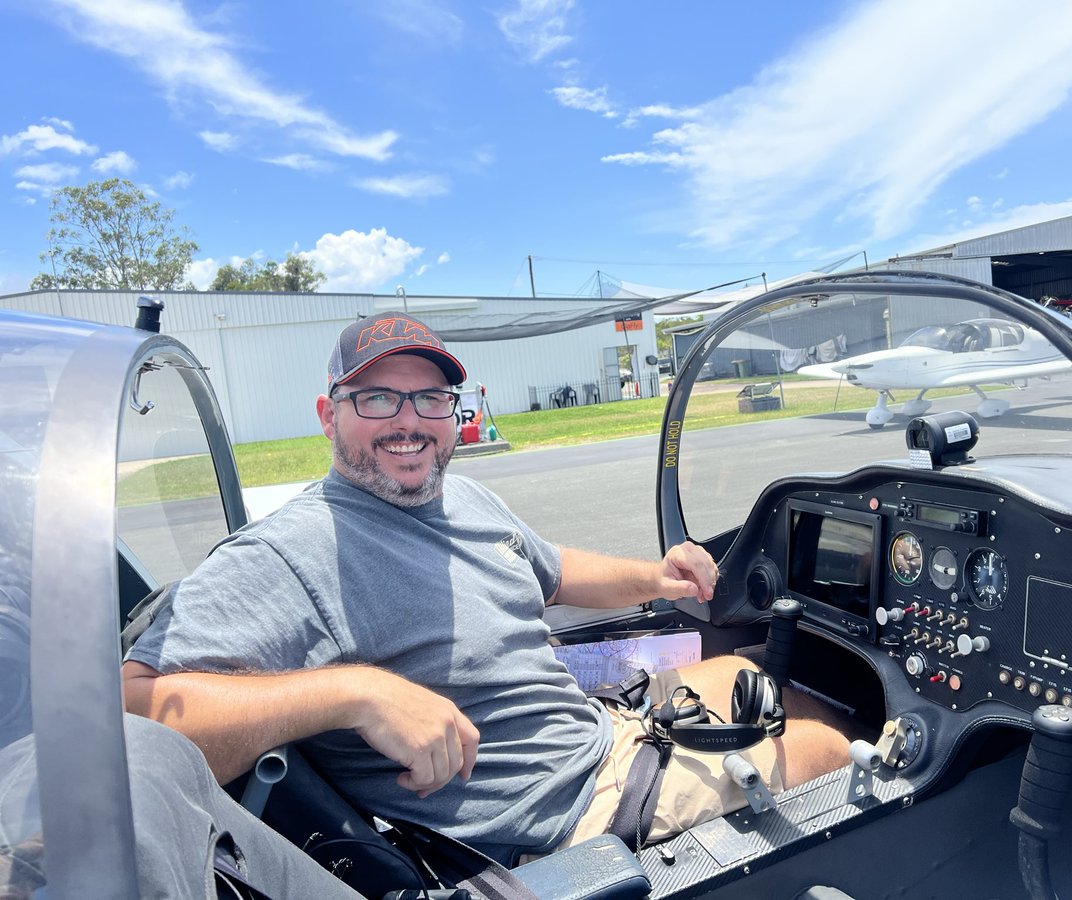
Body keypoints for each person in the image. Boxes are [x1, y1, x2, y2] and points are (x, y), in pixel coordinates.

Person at [123, 312, 856, 864]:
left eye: (432, 400)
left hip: (595, 726)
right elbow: (130, 713)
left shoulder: (463, 499)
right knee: (829, 752)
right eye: (378, 398)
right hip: (563, 814)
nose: (409, 423)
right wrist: (355, 694)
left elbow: (551, 568)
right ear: (329, 416)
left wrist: (653, 575)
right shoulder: (288, 552)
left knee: (749, 673)